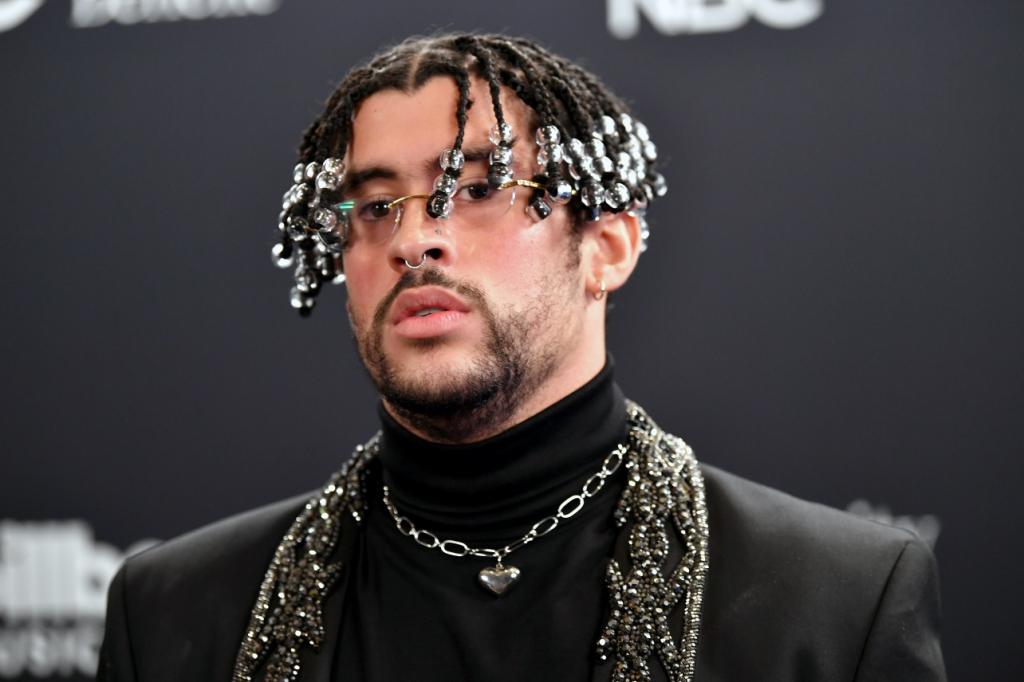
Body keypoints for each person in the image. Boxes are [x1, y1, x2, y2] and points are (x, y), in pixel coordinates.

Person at [96, 34, 946, 682]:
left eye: (475, 188)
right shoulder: (177, 614)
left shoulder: (838, 603)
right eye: (374, 203)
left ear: (606, 249)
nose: (416, 239)